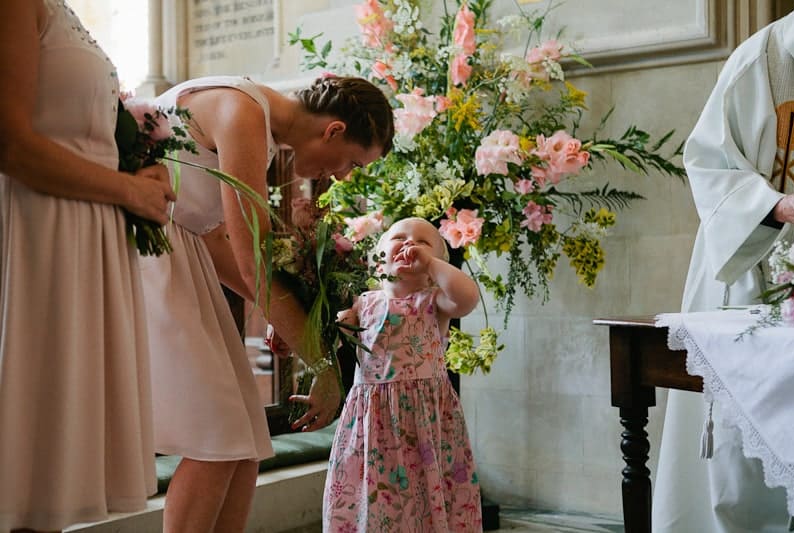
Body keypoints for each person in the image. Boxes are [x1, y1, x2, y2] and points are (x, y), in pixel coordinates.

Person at [139, 74, 394, 533]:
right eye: (352, 162)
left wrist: (283, 308)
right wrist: (323, 367)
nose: (342, 176)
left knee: (244, 443)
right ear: (333, 130)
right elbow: (252, 255)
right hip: (147, 261)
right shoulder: (243, 112)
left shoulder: (259, 127)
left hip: (180, 259)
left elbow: (216, 241)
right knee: (218, 440)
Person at [0, 1, 176, 532]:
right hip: (34, 237)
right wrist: (129, 191)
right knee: (21, 445)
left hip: (81, 240)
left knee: (47, 462)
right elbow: (12, 145)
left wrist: (144, 171)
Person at [652, 7, 794, 533]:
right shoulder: (758, 61)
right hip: (751, 259)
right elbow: (706, 160)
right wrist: (776, 205)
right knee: (740, 450)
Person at [322, 217, 483, 532]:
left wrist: (432, 265)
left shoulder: (433, 302)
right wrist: (337, 324)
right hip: (370, 422)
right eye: (399, 237)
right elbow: (330, 338)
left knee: (420, 493)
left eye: (424, 243)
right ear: (377, 259)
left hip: (421, 423)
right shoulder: (362, 303)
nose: (410, 245)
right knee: (372, 492)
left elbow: (467, 298)